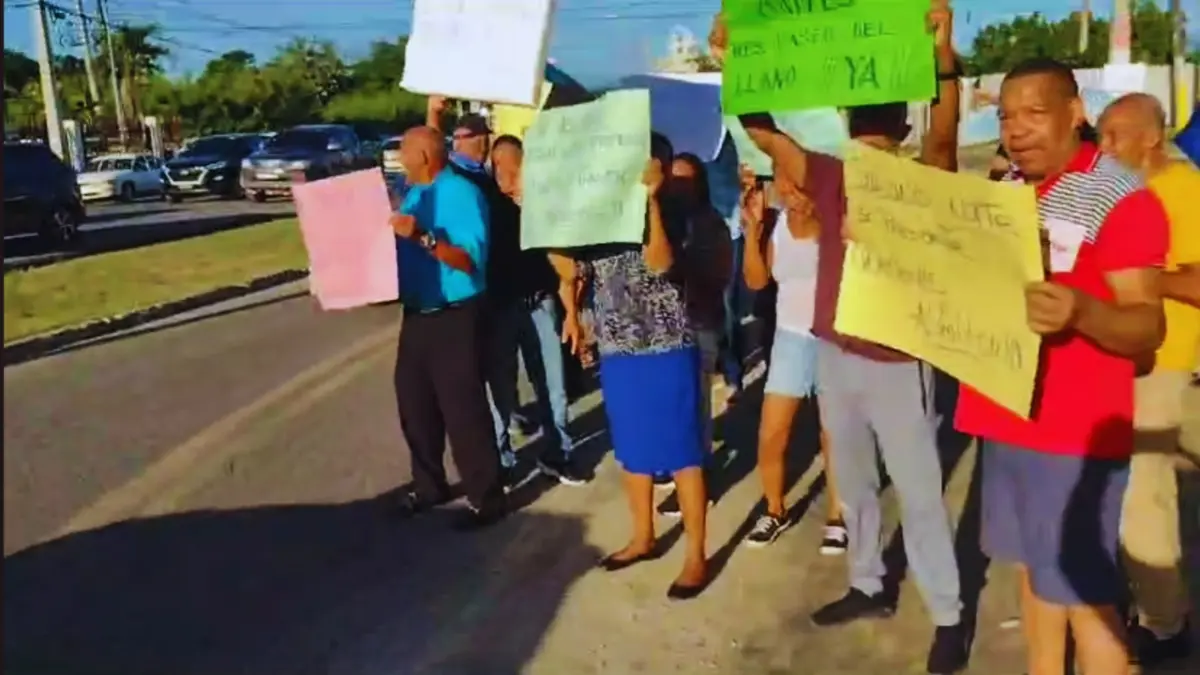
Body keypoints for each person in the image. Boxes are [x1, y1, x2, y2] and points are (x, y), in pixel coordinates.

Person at [711, 2, 968, 672]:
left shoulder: (924, 175)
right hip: (835, 351)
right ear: (852, 119)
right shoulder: (827, 170)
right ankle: (866, 584)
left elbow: (946, 130)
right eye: (867, 115)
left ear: (901, 121)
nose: (876, 125)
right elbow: (763, 133)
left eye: (884, 114)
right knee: (852, 481)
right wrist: (734, 58)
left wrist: (942, 49)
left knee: (916, 489)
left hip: (896, 355)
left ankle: (948, 614)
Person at [955, 61, 1171, 675]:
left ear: (1075, 113)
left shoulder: (1119, 195)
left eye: (1034, 112)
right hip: (1005, 415)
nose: (1017, 129)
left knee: (1085, 599)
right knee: (1033, 575)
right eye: (1005, 116)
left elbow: (1145, 329)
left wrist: (1080, 311)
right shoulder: (1006, 192)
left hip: (1072, 434)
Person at [549, 133, 710, 600]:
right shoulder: (600, 210)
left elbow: (660, 263)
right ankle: (644, 536)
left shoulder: (676, 207)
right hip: (619, 349)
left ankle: (696, 555)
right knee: (633, 451)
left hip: (667, 345)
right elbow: (569, 271)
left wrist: (653, 201)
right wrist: (544, 223)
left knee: (683, 452)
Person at [1098, 92, 1198, 667]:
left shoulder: (1184, 191)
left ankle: (1165, 626)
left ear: (1152, 139)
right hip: (1123, 356)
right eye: (1101, 135)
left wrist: (1138, 275)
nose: (1103, 147)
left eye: (1115, 136)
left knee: (1142, 499)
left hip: (1165, 361)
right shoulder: (1118, 191)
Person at [388, 126, 505, 530]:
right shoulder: (415, 193)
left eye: (404, 150)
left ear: (424, 155)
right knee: (414, 402)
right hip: (418, 312)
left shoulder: (461, 193)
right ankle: (428, 485)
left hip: (458, 313)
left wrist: (422, 236)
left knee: (462, 409)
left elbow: (469, 259)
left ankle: (486, 496)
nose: (399, 157)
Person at [737, 162, 846, 554]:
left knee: (832, 434)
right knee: (771, 433)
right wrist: (752, 230)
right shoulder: (777, 224)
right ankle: (775, 509)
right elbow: (756, 281)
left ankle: (838, 515)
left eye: (797, 181)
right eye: (783, 180)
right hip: (790, 339)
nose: (790, 189)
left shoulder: (836, 220)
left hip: (834, 340)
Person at [489, 134, 585, 487]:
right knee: (500, 389)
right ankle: (502, 462)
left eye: (516, 169)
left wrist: (572, 314)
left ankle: (558, 452)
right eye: (503, 169)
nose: (510, 178)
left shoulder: (543, 206)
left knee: (553, 385)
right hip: (500, 309)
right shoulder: (486, 206)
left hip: (542, 305)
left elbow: (566, 268)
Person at [655, 152, 732, 518]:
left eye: (687, 181)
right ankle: (681, 471)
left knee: (697, 409)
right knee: (673, 407)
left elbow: (717, 276)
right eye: (674, 181)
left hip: (699, 324)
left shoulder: (710, 223)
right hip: (665, 328)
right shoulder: (665, 221)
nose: (680, 188)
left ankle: (702, 483)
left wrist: (679, 264)